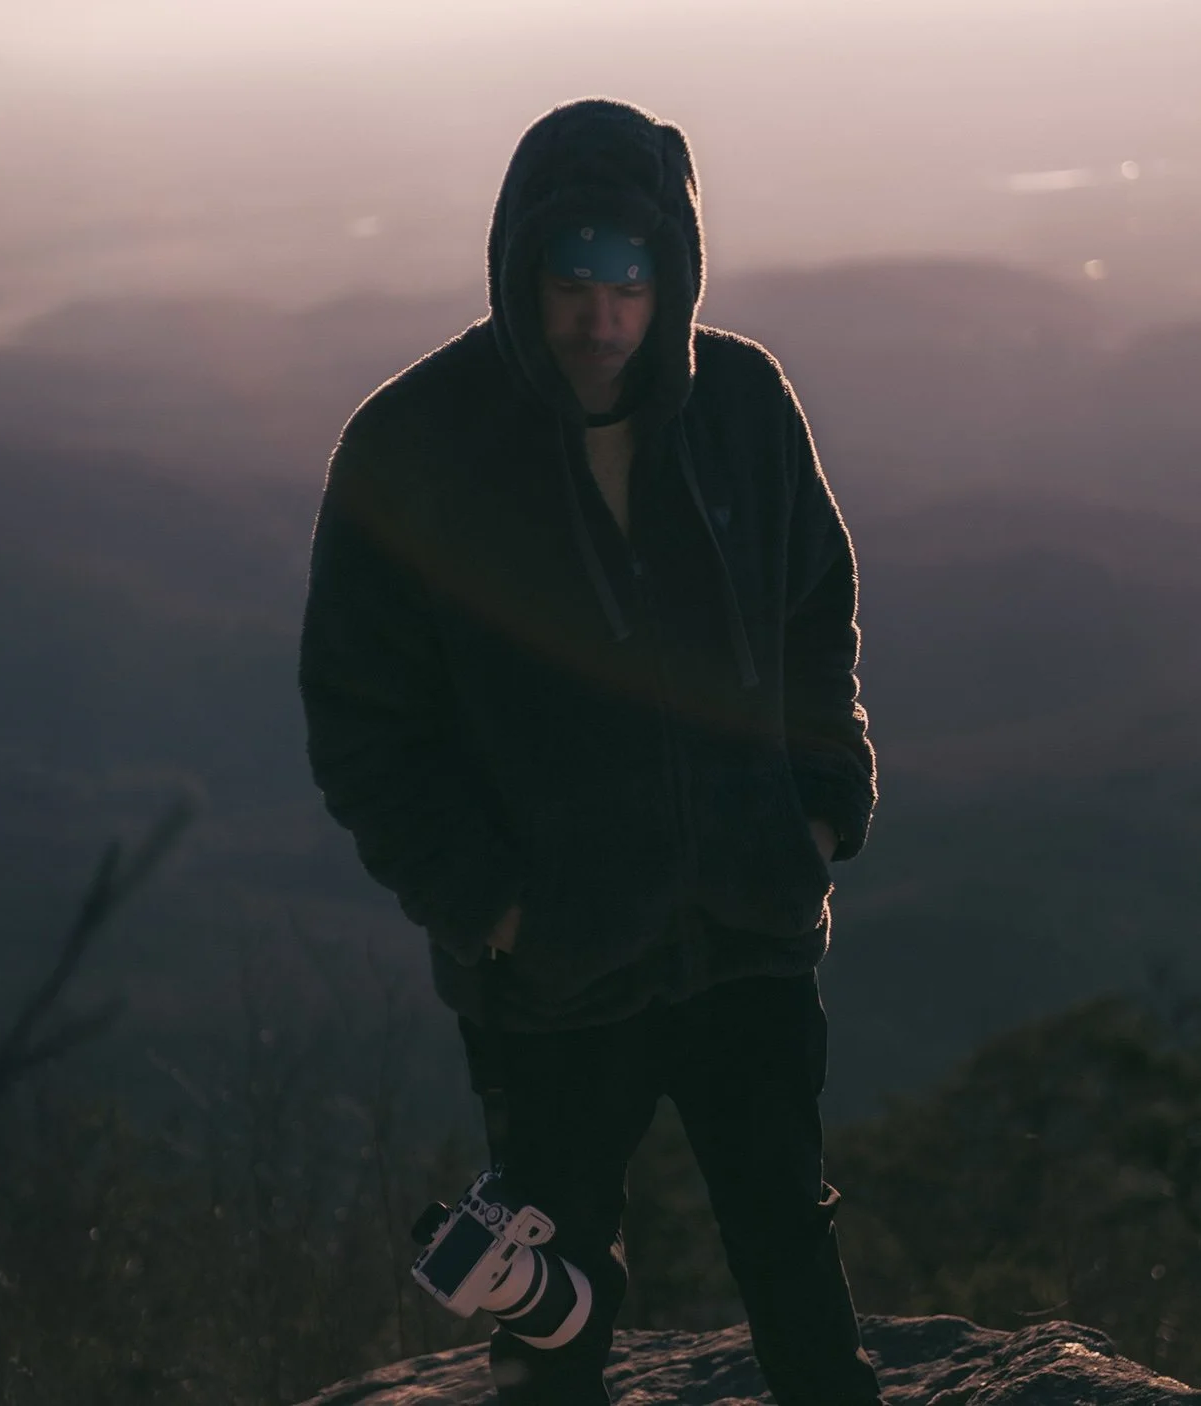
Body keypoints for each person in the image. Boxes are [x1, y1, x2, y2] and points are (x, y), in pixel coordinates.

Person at [298, 97, 883, 1406]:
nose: (602, 312)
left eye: (634, 275)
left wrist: (820, 808)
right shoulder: (414, 450)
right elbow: (361, 722)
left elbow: (812, 612)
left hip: (749, 936)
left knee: (791, 1250)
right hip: (552, 973)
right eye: (574, 274)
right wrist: (489, 903)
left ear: (673, 274)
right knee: (552, 1315)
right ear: (522, 267)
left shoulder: (742, 403)